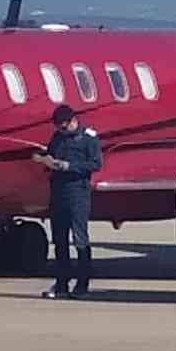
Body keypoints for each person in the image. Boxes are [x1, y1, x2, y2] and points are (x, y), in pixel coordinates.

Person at [33, 104, 102, 298]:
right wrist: (43, 158)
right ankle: (62, 282)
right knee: (59, 240)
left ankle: (82, 283)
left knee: (80, 239)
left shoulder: (89, 138)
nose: (61, 131)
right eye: (58, 128)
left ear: (73, 121)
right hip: (58, 192)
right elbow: (52, 154)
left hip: (78, 192)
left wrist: (69, 166)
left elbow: (96, 164)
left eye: (63, 127)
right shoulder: (58, 137)